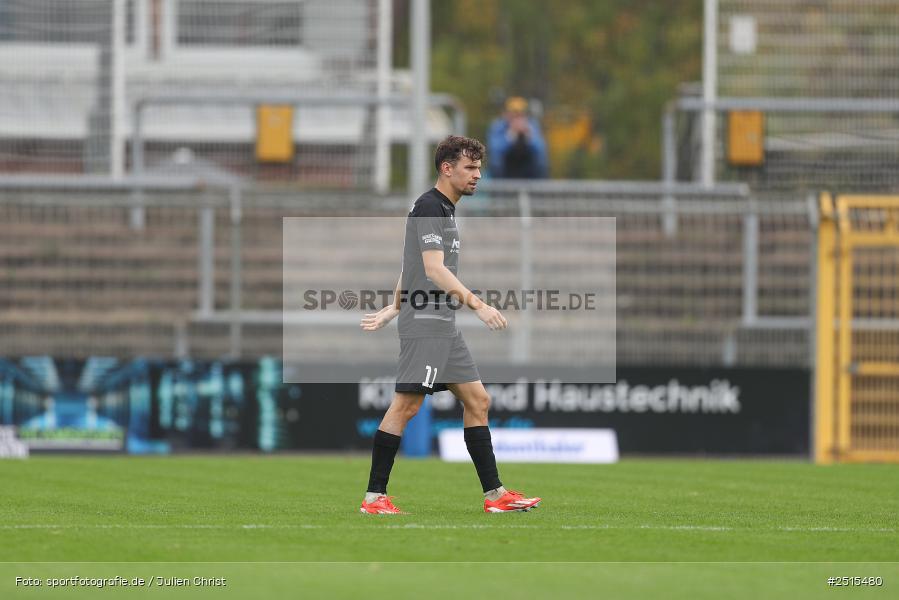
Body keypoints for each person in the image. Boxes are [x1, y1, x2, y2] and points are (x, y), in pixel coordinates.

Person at [358, 135, 542, 514]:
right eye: (470, 168)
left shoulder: (444, 209)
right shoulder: (430, 205)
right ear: (447, 168)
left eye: (479, 168)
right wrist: (479, 305)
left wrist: (393, 308)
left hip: (439, 322)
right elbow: (431, 269)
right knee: (406, 406)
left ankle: (495, 496)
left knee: (479, 400)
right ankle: (374, 498)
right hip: (426, 324)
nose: (478, 175)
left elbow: (411, 266)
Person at [487, 97, 549, 179]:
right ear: (506, 114)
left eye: (520, 115)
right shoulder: (498, 126)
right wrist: (510, 136)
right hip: (505, 173)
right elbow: (494, 150)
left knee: (541, 161)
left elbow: (541, 148)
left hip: (528, 171)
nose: (517, 119)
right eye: (514, 115)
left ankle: (539, 188)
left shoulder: (532, 125)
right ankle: (499, 188)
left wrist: (529, 137)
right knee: (496, 162)